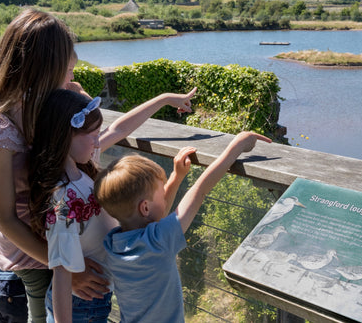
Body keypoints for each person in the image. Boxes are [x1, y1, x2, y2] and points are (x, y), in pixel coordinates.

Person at [0, 9, 108, 322]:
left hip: (52, 252)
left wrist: (73, 107)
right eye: (66, 70)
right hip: (31, 264)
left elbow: (82, 156)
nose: (71, 78)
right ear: (42, 68)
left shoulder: (33, 107)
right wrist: (67, 271)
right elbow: (5, 218)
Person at [28, 86, 197, 323]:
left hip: (92, 301)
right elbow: (61, 273)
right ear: (66, 136)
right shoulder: (63, 199)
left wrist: (164, 98)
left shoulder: (83, 171)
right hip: (80, 306)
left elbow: (120, 128)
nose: (98, 142)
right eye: (93, 135)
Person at [94, 131, 272, 322]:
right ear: (145, 207)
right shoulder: (159, 241)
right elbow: (200, 189)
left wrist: (176, 177)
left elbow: (153, 219)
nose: (165, 195)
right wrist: (237, 146)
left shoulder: (114, 244)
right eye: (162, 193)